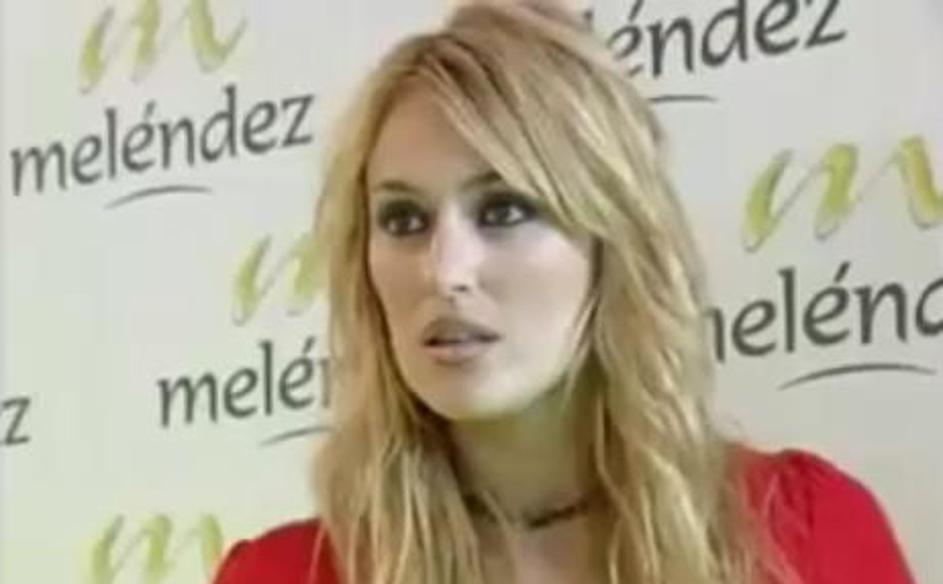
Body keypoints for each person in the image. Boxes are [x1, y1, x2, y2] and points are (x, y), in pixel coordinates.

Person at [213, 2, 915, 583]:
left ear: (611, 240)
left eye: (503, 210)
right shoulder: (281, 575)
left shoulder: (804, 537)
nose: (444, 270)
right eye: (403, 220)